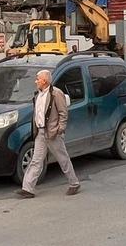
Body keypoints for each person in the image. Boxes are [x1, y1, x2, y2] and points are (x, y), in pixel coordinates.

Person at [17, 69, 80, 198]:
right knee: (36, 160)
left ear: (44, 81)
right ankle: (28, 188)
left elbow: (63, 113)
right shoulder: (38, 95)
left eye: (37, 79)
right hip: (40, 132)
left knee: (62, 159)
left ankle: (74, 183)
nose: (36, 81)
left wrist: (59, 129)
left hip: (52, 133)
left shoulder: (56, 94)